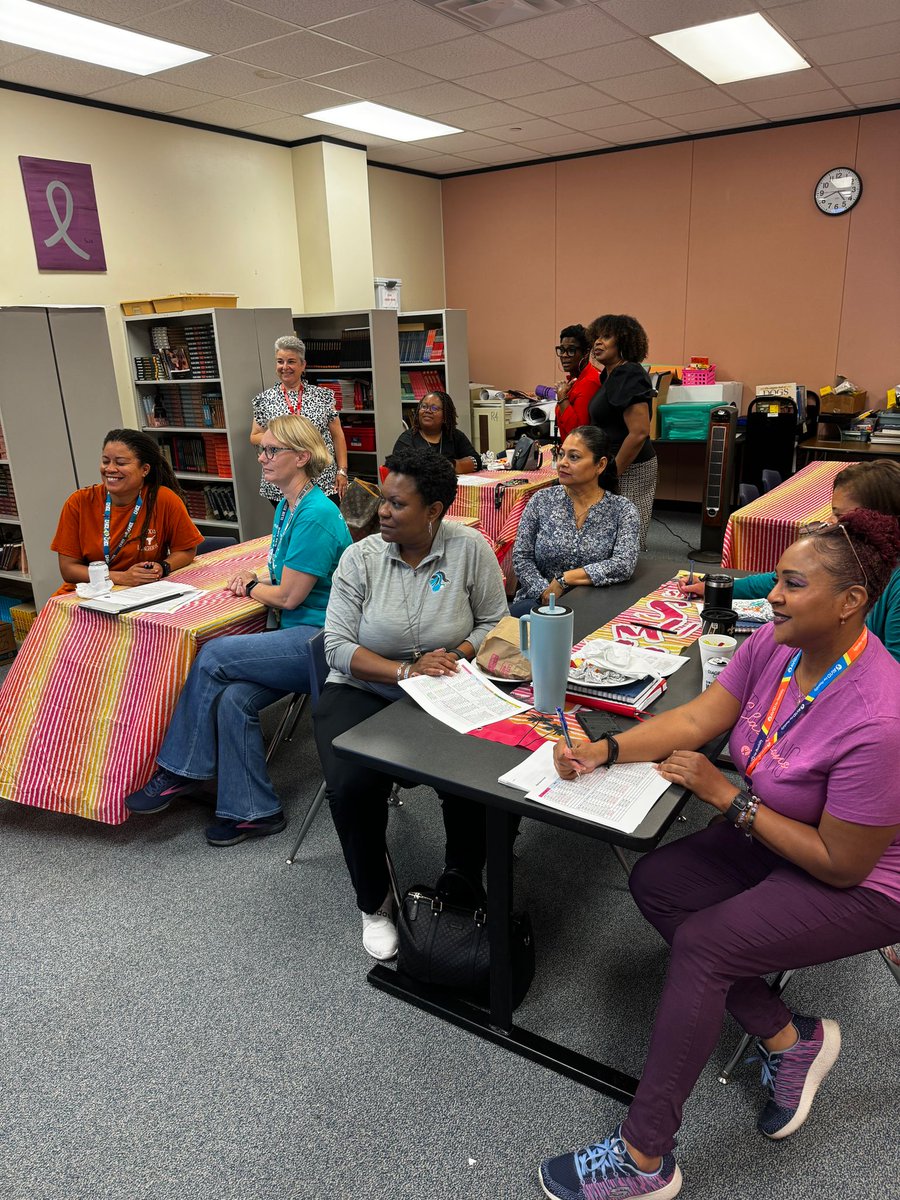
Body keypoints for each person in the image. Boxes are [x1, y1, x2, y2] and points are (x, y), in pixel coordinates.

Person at [540, 509, 900, 1200]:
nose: (773, 595)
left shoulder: (879, 718)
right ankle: (789, 1040)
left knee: (706, 945)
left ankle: (645, 1161)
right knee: (659, 883)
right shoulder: (777, 644)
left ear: (851, 603)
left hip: (866, 879)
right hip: (780, 828)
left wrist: (724, 795)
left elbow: (842, 864)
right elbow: (701, 718)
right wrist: (602, 750)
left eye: (793, 584)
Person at [313, 448, 508, 960]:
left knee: (476, 773)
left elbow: (495, 622)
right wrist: (405, 671)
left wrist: (458, 654)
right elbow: (336, 646)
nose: (382, 512)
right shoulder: (359, 558)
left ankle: (461, 879)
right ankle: (373, 902)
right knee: (352, 786)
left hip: (447, 686)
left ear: (434, 510)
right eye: (384, 500)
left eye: (398, 505)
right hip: (363, 689)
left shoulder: (470, 549)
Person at [124, 415, 352, 847]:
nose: (262, 458)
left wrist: (252, 586)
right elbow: (282, 571)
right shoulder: (290, 505)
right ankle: (253, 811)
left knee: (212, 655)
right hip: (295, 633)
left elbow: (288, 598)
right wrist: (259, 575)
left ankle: (179, 769)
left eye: (271, 451)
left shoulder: (317, 514)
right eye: (261, 450)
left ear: (301, 457)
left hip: (320, 641)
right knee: (232, 698)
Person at [680, 460, 900, 661]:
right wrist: (717, 588)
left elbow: (893, 671)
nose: (832, 524)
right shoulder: (854, 556)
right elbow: (776, 581)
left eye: (841, 517)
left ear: (880, 522)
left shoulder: (893, 582)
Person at [52, 428, 202, 593]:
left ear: (145, 469)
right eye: (105, 461)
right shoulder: (78, 502)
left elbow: (186, 549)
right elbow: (68, 569)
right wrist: (122, 577)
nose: (110, 469)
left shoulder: (164, 499)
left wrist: (163, 566)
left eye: (121, 463)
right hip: (85, 595)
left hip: (142, 592)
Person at [510, 426, 639, 615]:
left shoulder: (622, 509)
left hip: (597, 604)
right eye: (561, 455)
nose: (562, 463)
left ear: (600, 465)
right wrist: (546, 593)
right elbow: (522, 557)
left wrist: (565, 579)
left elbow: (623, 564)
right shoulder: (541, 500)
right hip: (539, 603)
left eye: (574, 457)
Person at [586, 314, 656, 549]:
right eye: (596, 337)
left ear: (623, 341)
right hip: (612, 463)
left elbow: (639, 432)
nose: (598, 342)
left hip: (630, 467)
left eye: (606, 337)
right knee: (608, 534)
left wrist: (613, 473)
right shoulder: (610, 374)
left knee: (625, 537)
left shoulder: (629, 374)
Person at [251, 335, 348, 503]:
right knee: (291, 527)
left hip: (322, 480)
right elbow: (255, 435)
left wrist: (342, 471)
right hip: (282, 483)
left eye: (291, 361)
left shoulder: (322, 396)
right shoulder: (264, 399)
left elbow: (338, 435)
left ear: (303, 365)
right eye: (280, 361)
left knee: (320, 525)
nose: (285, 367)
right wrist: (284, 439)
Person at [391, 390, 482, 473]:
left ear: (445, 416)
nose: (427, 411)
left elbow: (476, 461)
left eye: (434, 408)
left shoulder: (454, 435)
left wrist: (452, 465)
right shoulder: (406, 440)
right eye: (424, 406)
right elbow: (399, 470)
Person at [554, 324, 599, 442]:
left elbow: (577, 433)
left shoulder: (590, 382)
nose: (564, 355)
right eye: (562, 350)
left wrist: (562, 397)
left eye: (571, 350)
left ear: (586, 353)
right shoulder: (575, 379)